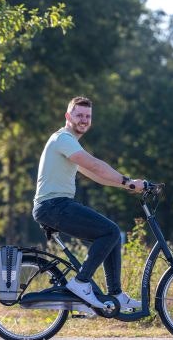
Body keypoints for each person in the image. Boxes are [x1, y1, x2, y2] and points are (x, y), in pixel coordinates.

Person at [32, 96, 146, 311]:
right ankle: (81, 283)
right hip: (53, 206)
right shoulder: (63, 139)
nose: (84, 120)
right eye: (79, 115)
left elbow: (96, 175)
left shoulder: (71, 144)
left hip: (55, 206)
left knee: (110, 234)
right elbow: (95, 165)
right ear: (68, 116)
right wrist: (128, 181)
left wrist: (127, 186)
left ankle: (116, 295)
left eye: (87, 116)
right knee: (110, 232)